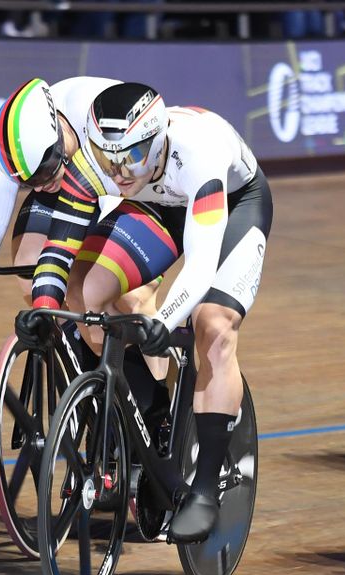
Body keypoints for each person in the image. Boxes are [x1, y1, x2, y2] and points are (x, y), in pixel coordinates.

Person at [25, 82, 272, 543]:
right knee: (87, 292)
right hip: (157, 202)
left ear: (157, 141)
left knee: (212, 325)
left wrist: (164, 321)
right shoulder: (105, 163)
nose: (119, 172)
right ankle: (150, 408)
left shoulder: (198, 152)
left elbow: (200, 264)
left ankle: (203, 490)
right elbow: (60, 244)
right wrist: (43, 306)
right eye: (108, 160)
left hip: (234, 206)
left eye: (132, 157)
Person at [0, 77, 164, 355]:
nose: (38, 187)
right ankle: (80, 361)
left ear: (60, 137)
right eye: (28, 182)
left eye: (44, 172)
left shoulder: (98, 118)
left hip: (126, 188)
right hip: (70, 187)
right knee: (30, 268)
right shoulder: (11, 150)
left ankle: (146, 373)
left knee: (126, 297)